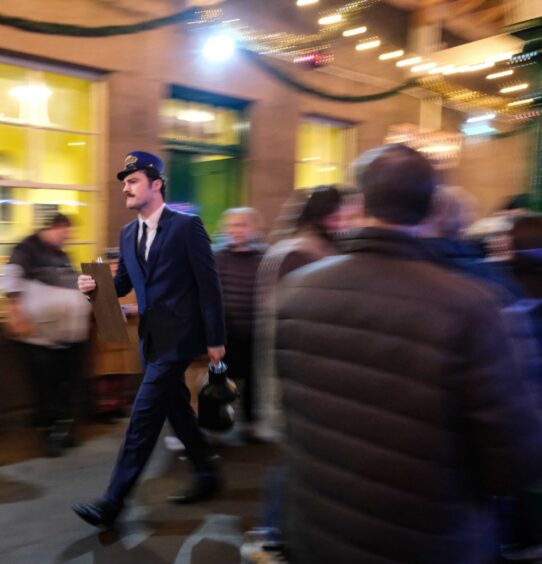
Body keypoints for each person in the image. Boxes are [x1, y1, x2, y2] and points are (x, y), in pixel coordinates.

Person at [273, 144, 542, 564]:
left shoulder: (298, 289)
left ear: (360, 203)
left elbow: (293, 417)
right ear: (433, 209)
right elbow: (517, 464)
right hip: (429, 541)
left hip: (318, 527)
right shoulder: (473, 306)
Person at [72, 151, 226, 527]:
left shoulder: (186, 227)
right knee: (176, 410)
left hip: (179, 339)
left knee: (142, 420)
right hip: (150, 340)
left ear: (156, 184)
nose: (125, 186)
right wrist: (94, 287)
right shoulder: (128, 233)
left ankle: (113, 501)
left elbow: (209, 287)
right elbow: (124, 284)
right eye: (124, 181)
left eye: (133, 180)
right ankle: (207, 472)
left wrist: (215, 339)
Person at [253, 185, 345, 442]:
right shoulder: (295, 253)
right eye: (338, 217)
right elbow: (281, 312)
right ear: (322, 216)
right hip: (299, 358)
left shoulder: (320, 250)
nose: (343, 225)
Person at [1, 213, 91, 457]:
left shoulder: (62, 255)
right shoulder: (26, 248)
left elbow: (72, 283)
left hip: (69, 336)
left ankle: (61, 430)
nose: (66, 238)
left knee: (65, 385)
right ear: (52, 227)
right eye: (64, 233)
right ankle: (51, 434)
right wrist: (15, 312)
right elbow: (10, 279)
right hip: (40, 337)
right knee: (47, 388)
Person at [214, 208, 265, 439]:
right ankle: (216, 422)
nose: (238, 230)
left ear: (253, 228)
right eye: (233, 225)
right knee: (222, 379)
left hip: (255, 330)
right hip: (227, 332)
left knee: (254, 380)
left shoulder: (263, 257)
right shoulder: (219, 257)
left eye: (243, 225)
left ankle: (252, 423)